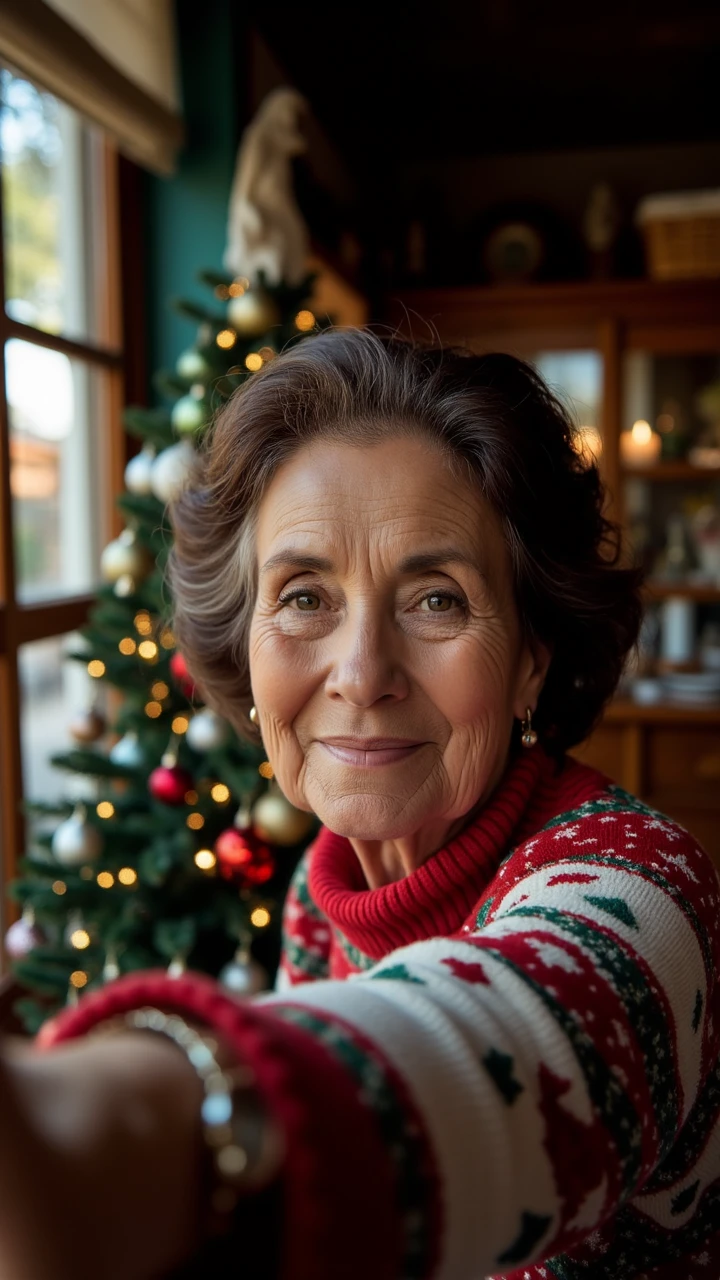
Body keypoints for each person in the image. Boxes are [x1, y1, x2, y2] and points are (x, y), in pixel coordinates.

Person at [2, 330, 719, 1280]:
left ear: (530, 663)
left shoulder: (646, 893)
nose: (362, 673)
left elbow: (493, 1049)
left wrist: (104, 1137)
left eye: (436, 600)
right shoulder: (318, 895)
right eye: (303, 596)